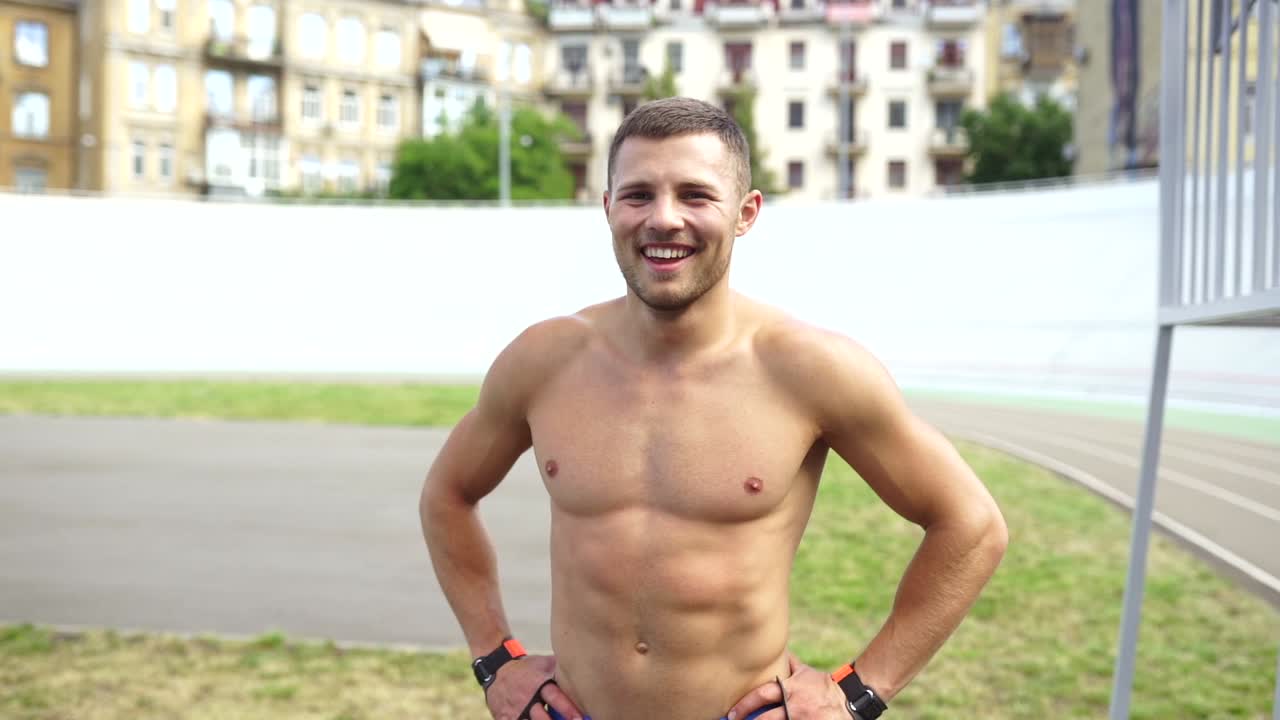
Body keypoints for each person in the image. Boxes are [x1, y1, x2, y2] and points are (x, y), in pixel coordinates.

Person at [420, 97, 1008, 720]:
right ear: (608, 208)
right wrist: (495, 660)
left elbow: (971, 527)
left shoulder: (809, 369)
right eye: (638, 194)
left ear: (745, 213)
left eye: (696, 195)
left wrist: (860, 692)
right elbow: (447, 494)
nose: (663, 219)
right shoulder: (544, 359)